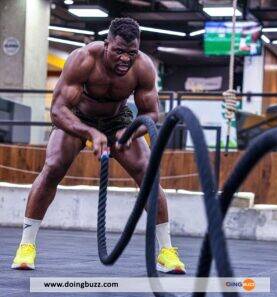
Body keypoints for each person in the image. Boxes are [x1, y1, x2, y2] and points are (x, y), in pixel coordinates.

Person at [12, 17, 186, 274]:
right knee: (53, 167)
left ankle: (166, 251)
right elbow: (59, 110)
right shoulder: (83, 59)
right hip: (78, 118)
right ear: (107, 44)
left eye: (131, 52)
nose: (125, 59)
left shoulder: (143, 67)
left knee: (148, 173)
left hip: (118, 121)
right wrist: (90, 132)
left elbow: (151, 114)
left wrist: (127, 134)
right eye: (118, 51)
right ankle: (26, 246)